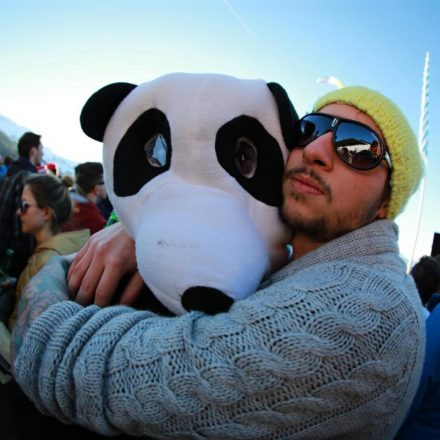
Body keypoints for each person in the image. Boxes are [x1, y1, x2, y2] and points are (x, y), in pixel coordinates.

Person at [12, 86, 424, 439]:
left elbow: (110, 374)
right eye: (310, 128)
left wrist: (51, 278)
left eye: (357, 148)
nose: (316, 150)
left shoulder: (367, 307)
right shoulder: (297, 263)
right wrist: (138, 224)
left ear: (387, 202)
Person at [7, 174, 90, 329]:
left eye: (24, 205)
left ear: (46, 213)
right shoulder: (59, 249)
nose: (19, 211)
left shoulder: (46, 261)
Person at [0, 132, 43, 280]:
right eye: (41, 148)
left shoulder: (12, 170)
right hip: (12, 253)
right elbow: (23, 219)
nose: (42, 152)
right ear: (33, 151)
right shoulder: (27, 177)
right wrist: (23, 257)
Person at [61, 162, 107, 235]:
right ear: (97, 189)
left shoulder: (64, 201)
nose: (108, 185)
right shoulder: (94, 219)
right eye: (106, 181)